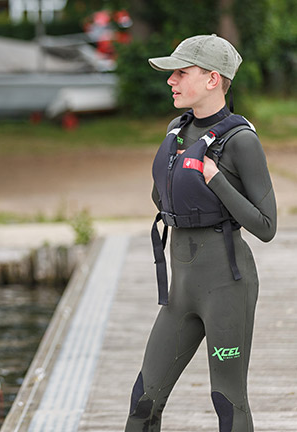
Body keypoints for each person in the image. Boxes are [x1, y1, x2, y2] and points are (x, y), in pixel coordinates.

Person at [125, 34, 277, 431]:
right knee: (143, 399)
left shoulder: (240, 141)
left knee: (227, 402)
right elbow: (163, 198)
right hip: (181, 292)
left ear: (213, 79)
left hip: (228, 287)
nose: (171, 81)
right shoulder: (178, 129)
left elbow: (266, 226)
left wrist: (215, 180)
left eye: (180, 72)